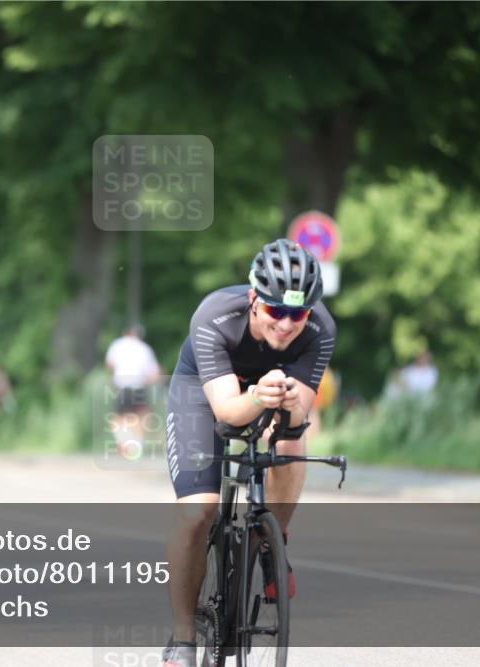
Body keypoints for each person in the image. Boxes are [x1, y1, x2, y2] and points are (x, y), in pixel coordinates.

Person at [160, 239, 335, 667]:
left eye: (299, 313)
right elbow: (227, 413)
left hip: (268, 391)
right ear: (255, 299)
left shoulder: (320, 330)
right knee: (197, 513)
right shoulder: (215, 316)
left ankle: (269, 542)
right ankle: (183, 639)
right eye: (277, 310)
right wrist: (258, 394)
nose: (287, 324)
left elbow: (296, 420)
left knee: (294, 439)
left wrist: (291, 408)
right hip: (206, 392)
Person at [105, 323, 162, 457]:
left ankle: (123, 440)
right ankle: (136, 443)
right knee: (141, 415)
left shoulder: (117, 344)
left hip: (122, 385)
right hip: (138, 385)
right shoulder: (145, 348)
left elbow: (109, 364)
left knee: (119, 417)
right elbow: (154, 373)